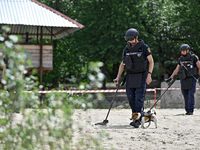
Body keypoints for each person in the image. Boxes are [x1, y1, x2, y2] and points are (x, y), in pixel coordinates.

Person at [114, 28, 154, 128]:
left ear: (136, 37)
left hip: (141, 75)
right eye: (128, 40)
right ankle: (135, 116)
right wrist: (118, 77)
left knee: (138, 98)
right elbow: (122, 64)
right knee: (131, 98)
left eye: (132, 39)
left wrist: (149, 75)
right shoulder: (126, 48)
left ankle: (138, 119)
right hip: (130, 76)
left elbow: (151, 61)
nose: (130, 41)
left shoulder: (144, 47)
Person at [166, 44, 200, 115]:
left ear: (188, 50)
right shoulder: (180, 59)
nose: (183, 52)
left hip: (191, 79)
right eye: (182, 51)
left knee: (191, 94)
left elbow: (199, 66)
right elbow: (176, 70)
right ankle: (187, 110)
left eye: (184, 51)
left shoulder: (194, 57)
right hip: (184, 79)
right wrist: (171, 77)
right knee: (185, 94)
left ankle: (191, 110)